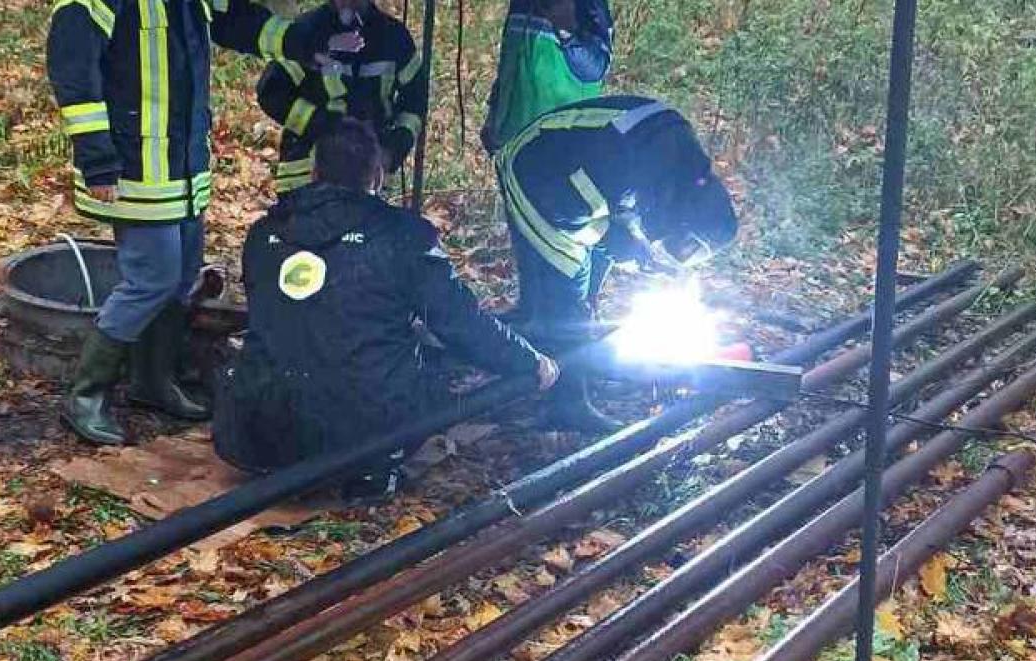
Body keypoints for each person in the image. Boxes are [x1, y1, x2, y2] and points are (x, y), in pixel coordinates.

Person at [48, 0, 365, 445]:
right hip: (133, 166)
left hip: (183, 167)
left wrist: (301, 41)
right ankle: (86, 396)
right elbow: (73, 70)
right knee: (150, 280)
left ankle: (154, 382)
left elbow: (236, 19)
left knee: (180, 278)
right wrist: (97, 158)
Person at [214, 120, 559, 499]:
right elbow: (461, 323)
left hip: (255, 429)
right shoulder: (403, 236)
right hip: (361, 434)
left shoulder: (263, 233)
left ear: (314, 172)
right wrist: (530, 363)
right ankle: (371, 469)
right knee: (433, 374)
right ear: (377, 176)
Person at [497, 95, 738, 433]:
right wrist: (624, 249)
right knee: (565, 298)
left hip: (580, 174)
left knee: (578, 294)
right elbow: (587, 221)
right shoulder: (630, 170)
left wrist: (637, 251)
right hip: (537, 176)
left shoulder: (679, 168)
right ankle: (567, 405)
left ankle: (545, 346)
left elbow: (623, 216)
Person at [255, 0, 429, 194]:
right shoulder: (310, 32)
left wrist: (392, 150)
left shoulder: (394, 38)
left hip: (368, 178)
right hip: (303, 178)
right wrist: (322, 125)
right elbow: (271, 91)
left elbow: (415, 101)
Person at [480, 0, 613, 155]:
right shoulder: (521, 4)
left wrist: (567, 31)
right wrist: (495, 115)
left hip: (558, 152)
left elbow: (596, 69)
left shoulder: (590, 5)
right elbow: (511, 62)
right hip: (511, 146)